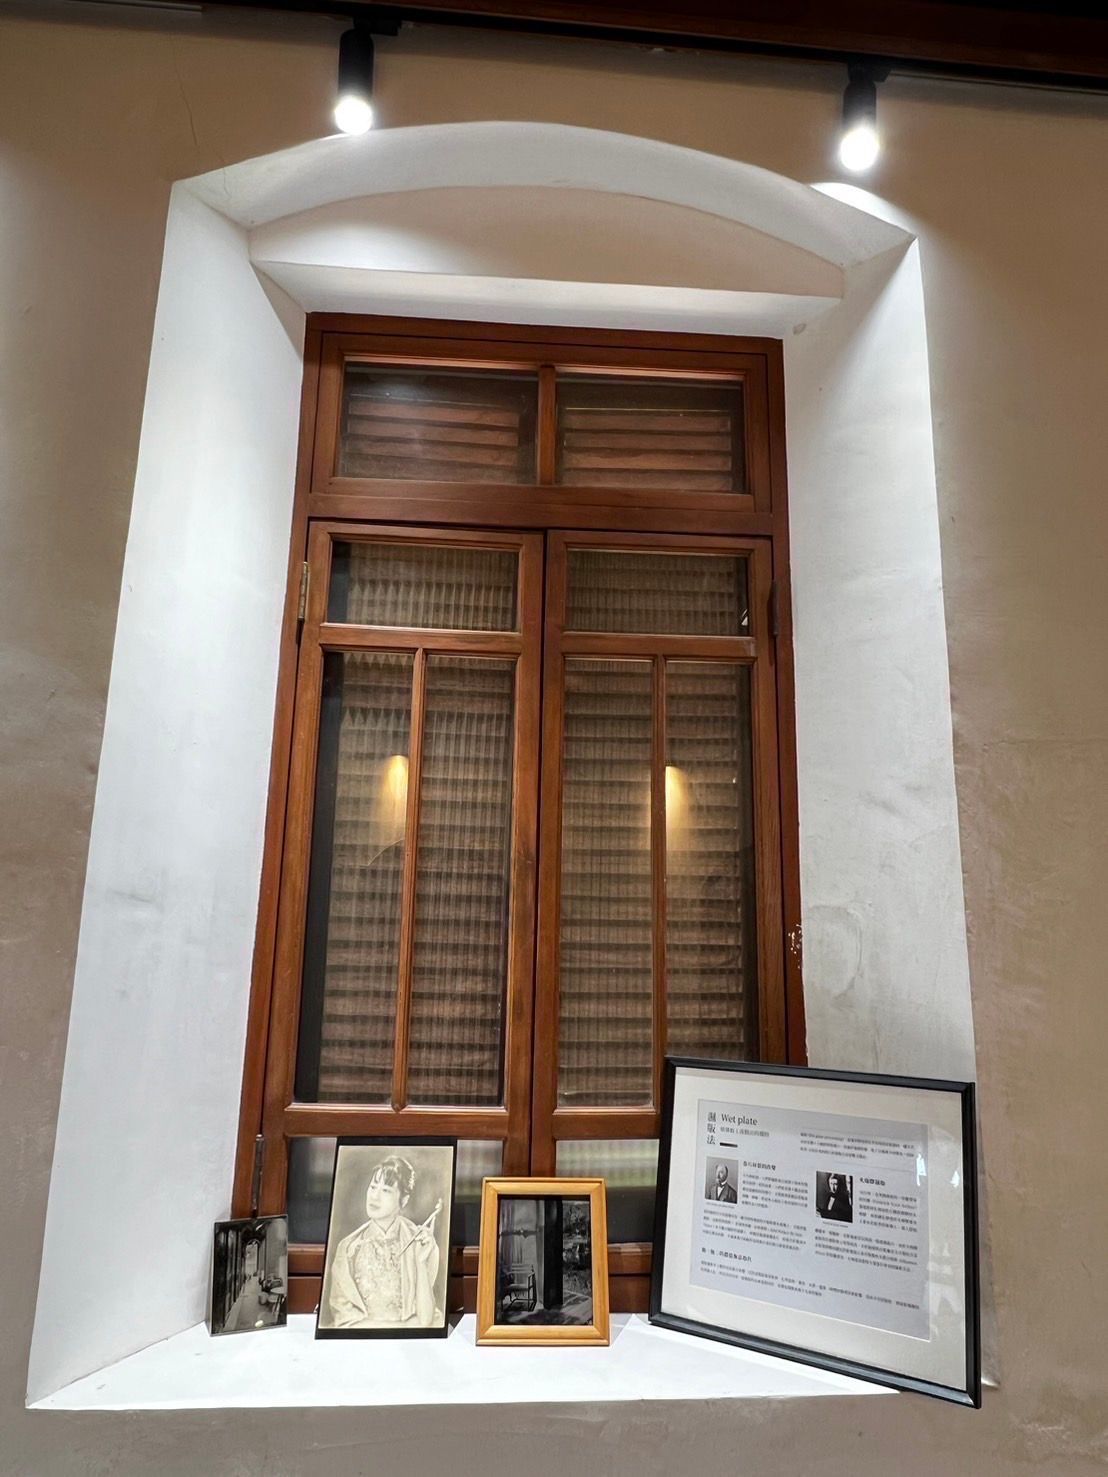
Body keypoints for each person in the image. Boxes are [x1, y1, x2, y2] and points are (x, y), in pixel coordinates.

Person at [327, 1154, 440, 1327]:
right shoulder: (349, 1248)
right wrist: (405, 1327)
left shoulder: (420, 1242)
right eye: (373, 1187)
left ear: (404, 1200)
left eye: (386, 1190)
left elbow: (426, 1320)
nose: (375, 1196)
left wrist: (420, 1262)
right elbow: (345, 1320)